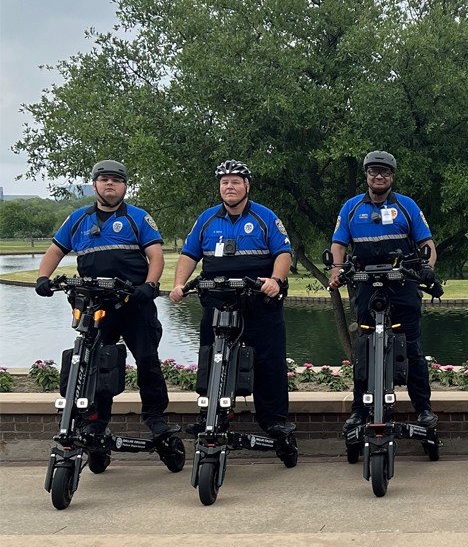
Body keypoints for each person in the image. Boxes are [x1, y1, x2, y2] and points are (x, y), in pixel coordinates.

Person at [35, 159, 172, 437]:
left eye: (116, 180)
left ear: (124, 186)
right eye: (104, 179)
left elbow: (156, 255)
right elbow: (55, 251)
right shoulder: (78, 219)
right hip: (94, 305)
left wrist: (150, 284)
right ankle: (96, 421)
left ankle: (155, 418)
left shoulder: (137, 217)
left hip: (133, 302)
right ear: (95, 184)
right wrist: (43, 278)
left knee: (147, 360)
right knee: (94, 362)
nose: (110, 184)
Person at [168, 160, 293, 438]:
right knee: (211, 355)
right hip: (217, 297)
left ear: (246, 186)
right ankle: (209, 412)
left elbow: (283, 253)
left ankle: (273, 420)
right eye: (224, 182)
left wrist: (276, 281)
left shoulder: (264, 217)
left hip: (258, 298)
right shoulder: (207, 219)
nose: (229, 187)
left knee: (268, 359)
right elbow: (189, 255)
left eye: (235, 181)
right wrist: (178, 284)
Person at [328, 150, 440, 431]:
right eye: (373, 171)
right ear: (366, 175)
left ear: (392, 176)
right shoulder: (351, 208)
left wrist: (427, 268)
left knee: (412, 348)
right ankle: (358, 410)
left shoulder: (407, 206)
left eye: (385, 172)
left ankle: (423, 410)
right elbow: (339, 245)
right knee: (364, 349)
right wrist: (336, 270)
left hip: (402, 284)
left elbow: (427, 244)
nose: (379, 176)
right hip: (366, 285)